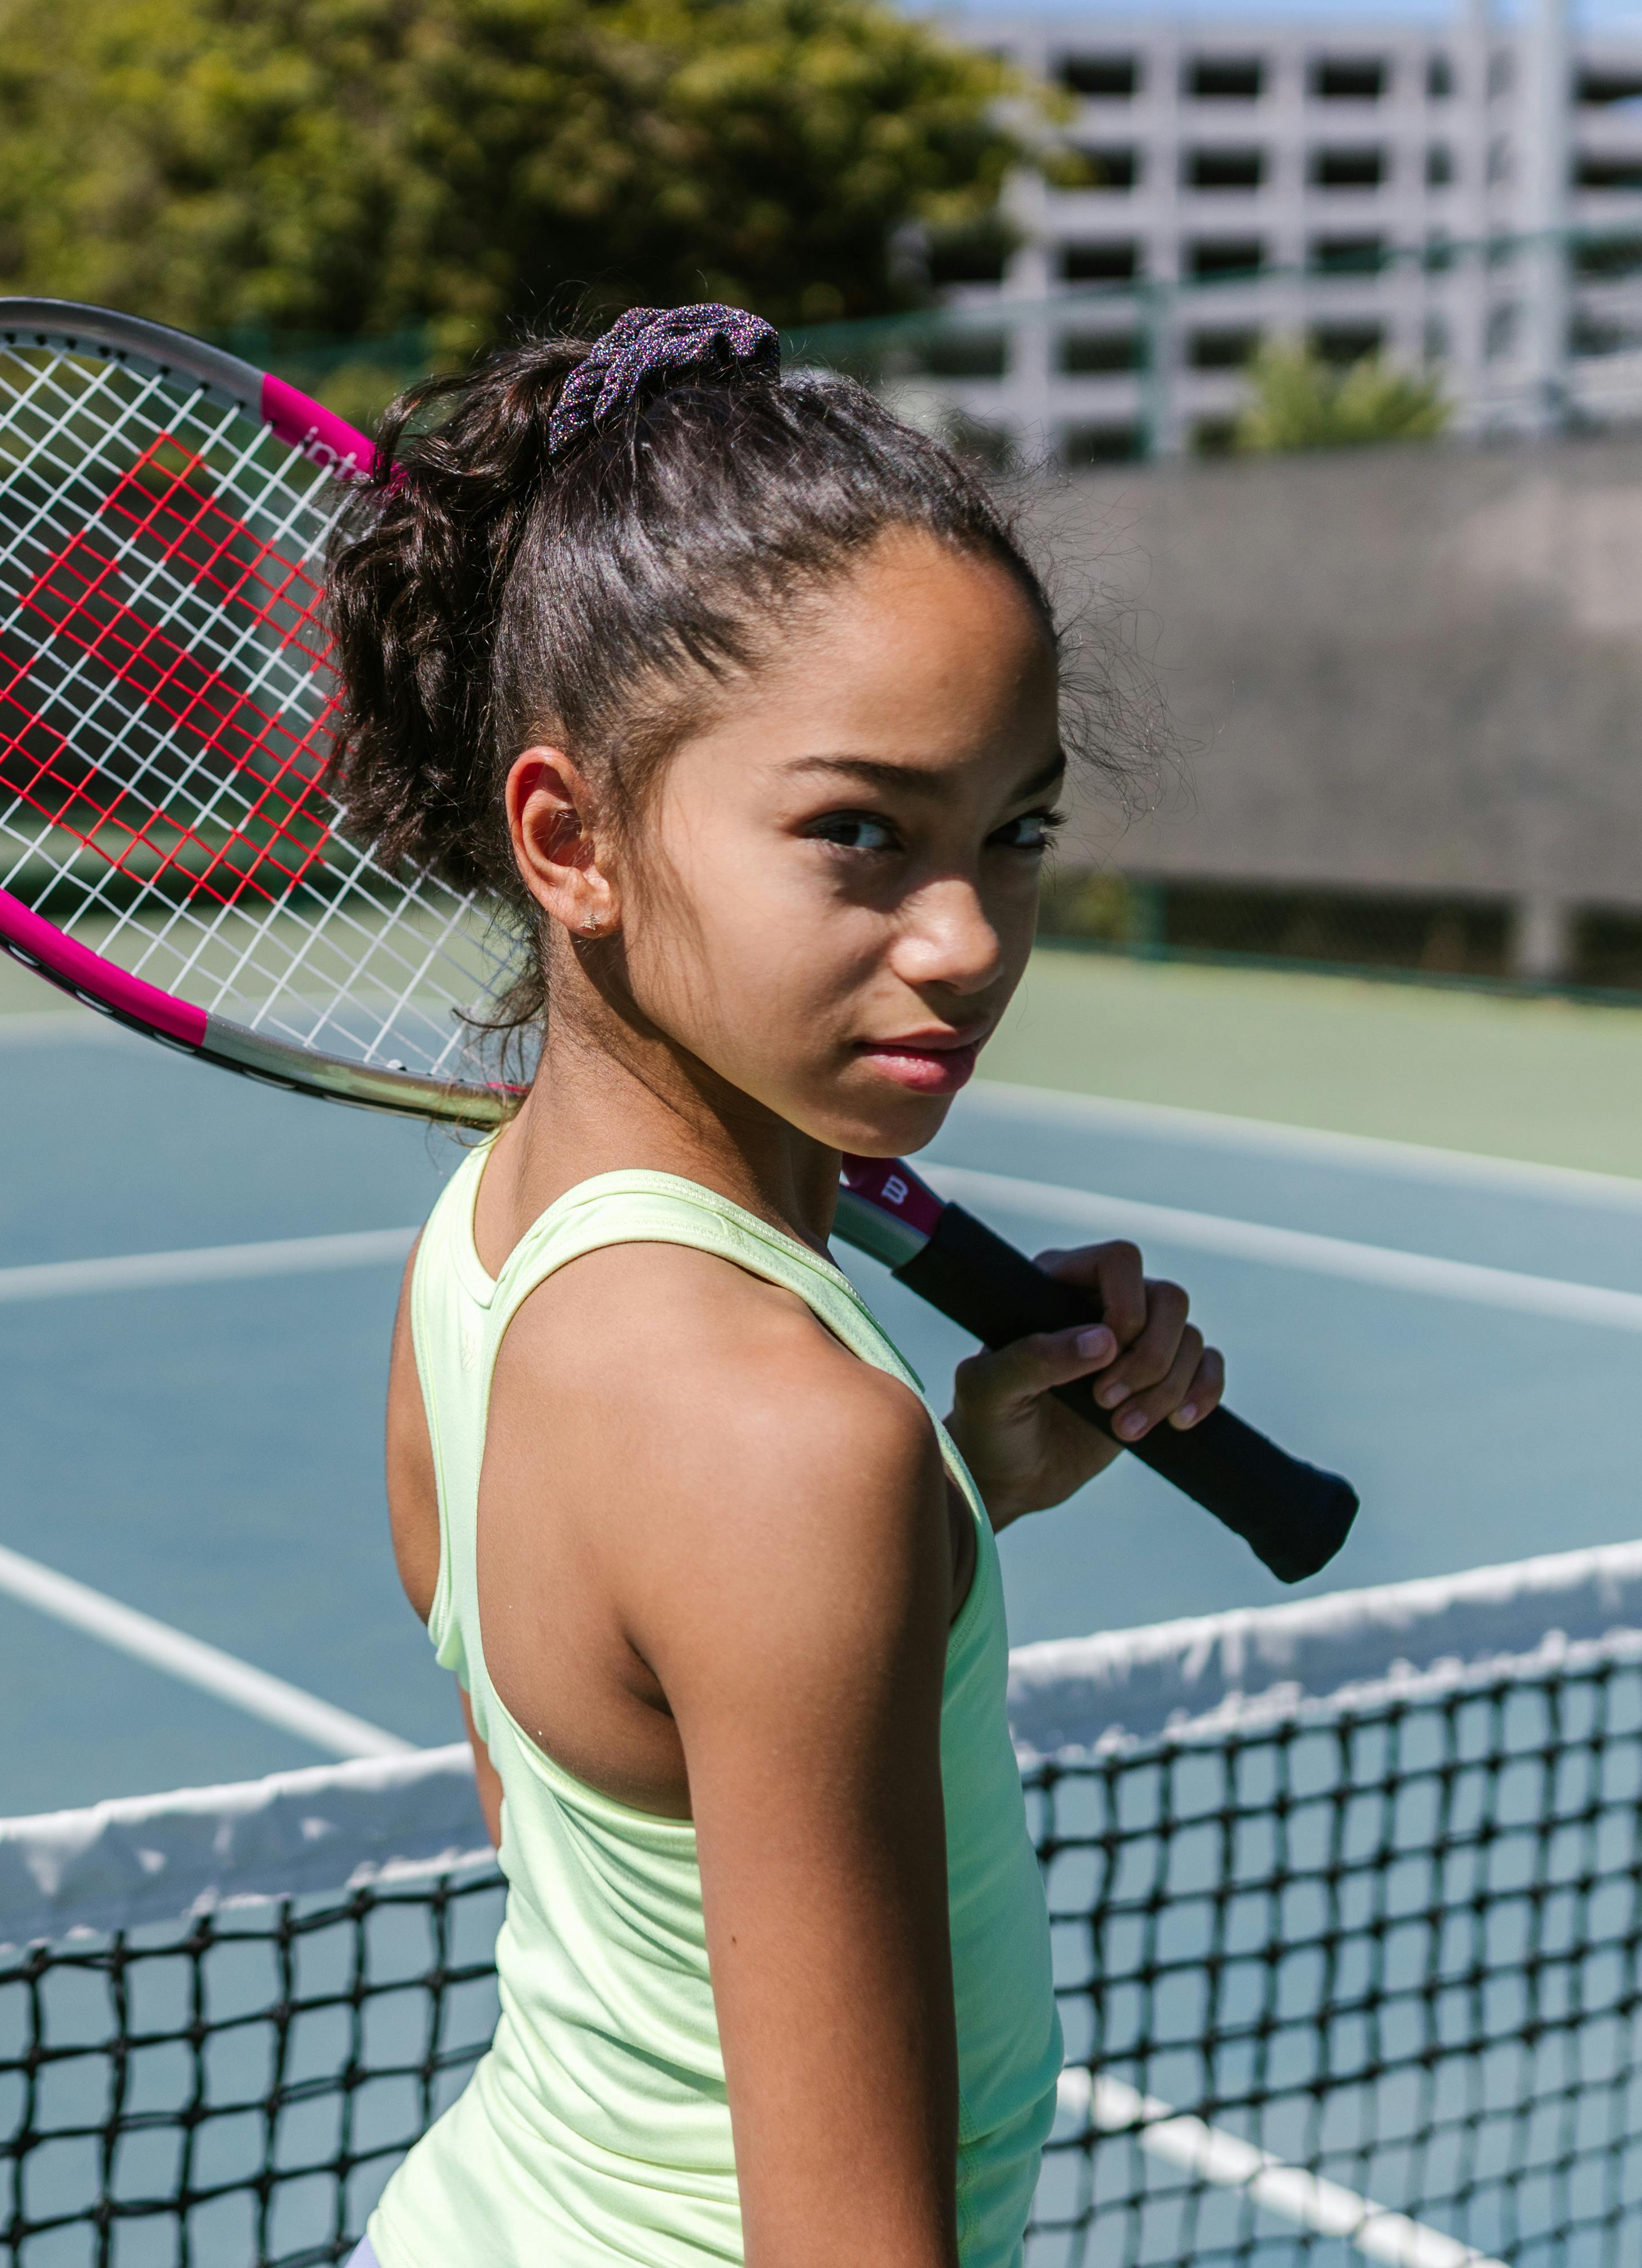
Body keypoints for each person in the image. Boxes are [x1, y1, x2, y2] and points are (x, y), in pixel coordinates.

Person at [325, 306, 1227, 2267]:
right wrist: (884, 1500)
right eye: (859, 835)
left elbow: (605, 1822)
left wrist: (964, 1490)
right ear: (571, 840)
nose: (970, 934)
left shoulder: (485, 1241)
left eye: (1019, 829)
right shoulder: (786, 1446)